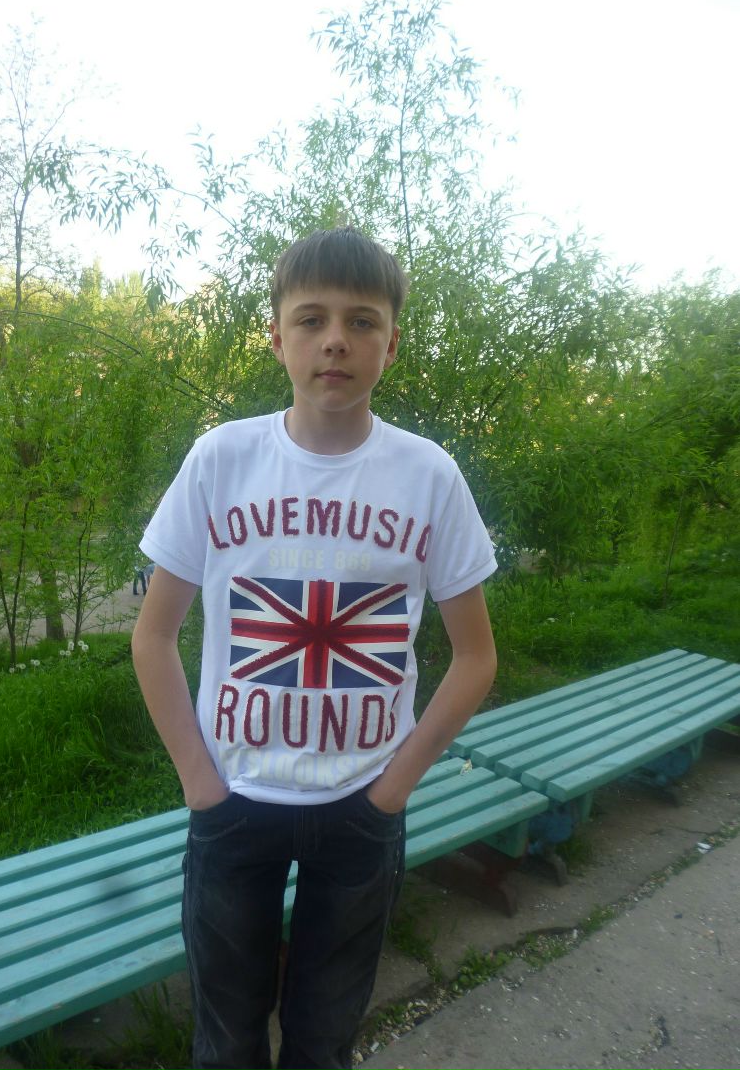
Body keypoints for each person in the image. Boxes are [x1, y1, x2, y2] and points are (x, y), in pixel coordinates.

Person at [131, 227, 498, 1070]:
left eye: (362, 321)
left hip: (362, 807)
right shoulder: (221, 460)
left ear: (391, 345)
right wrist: (200, 784)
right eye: (312, 319)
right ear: (277, 337)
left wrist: (392, 792)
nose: (336, 339)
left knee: (325, 1041)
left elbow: (476, 657)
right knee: (226, 1041)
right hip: (233, 802)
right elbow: (152, 636)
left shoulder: (429, 476)